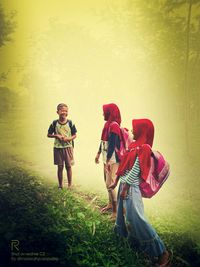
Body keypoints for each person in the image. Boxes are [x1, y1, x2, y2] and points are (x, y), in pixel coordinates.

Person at [109, 119, 172, 267]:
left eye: (134, 128)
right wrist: (116, 182)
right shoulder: (133, 147)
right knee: (123, 215)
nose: (131, 130)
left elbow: (136, 170)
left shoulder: (143, 148)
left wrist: (125, 188)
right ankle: (131, 243)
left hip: (131, 188)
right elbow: (124, 165)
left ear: (142, 130)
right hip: (124, 186)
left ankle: (162, 252)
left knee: (137, 218)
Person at [95, 103, 122, 218]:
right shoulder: (107, 124)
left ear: (109, 112)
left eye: (104, 112)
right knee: (106, 180)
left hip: (112, 159)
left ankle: (115, 212)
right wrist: (98, 153)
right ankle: (110, 204)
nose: (102, 114)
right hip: (106, 158)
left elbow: (112, 145)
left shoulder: (114, 126)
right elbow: (103, 141)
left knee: (110, 184)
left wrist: (108, 161)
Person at [47, 103, 77, 189]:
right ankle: (60, 185)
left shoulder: (70, 123)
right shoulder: (54, 123)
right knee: (60, 167)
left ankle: (70, 185)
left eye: (66, 111)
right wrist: (56, 136)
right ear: (57, 112)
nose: (64, 112)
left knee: (68, 166)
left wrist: (68, 139)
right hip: (57, 148)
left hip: (68, 147)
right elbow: (48, 134)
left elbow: (75, 135)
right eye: (62, 110)